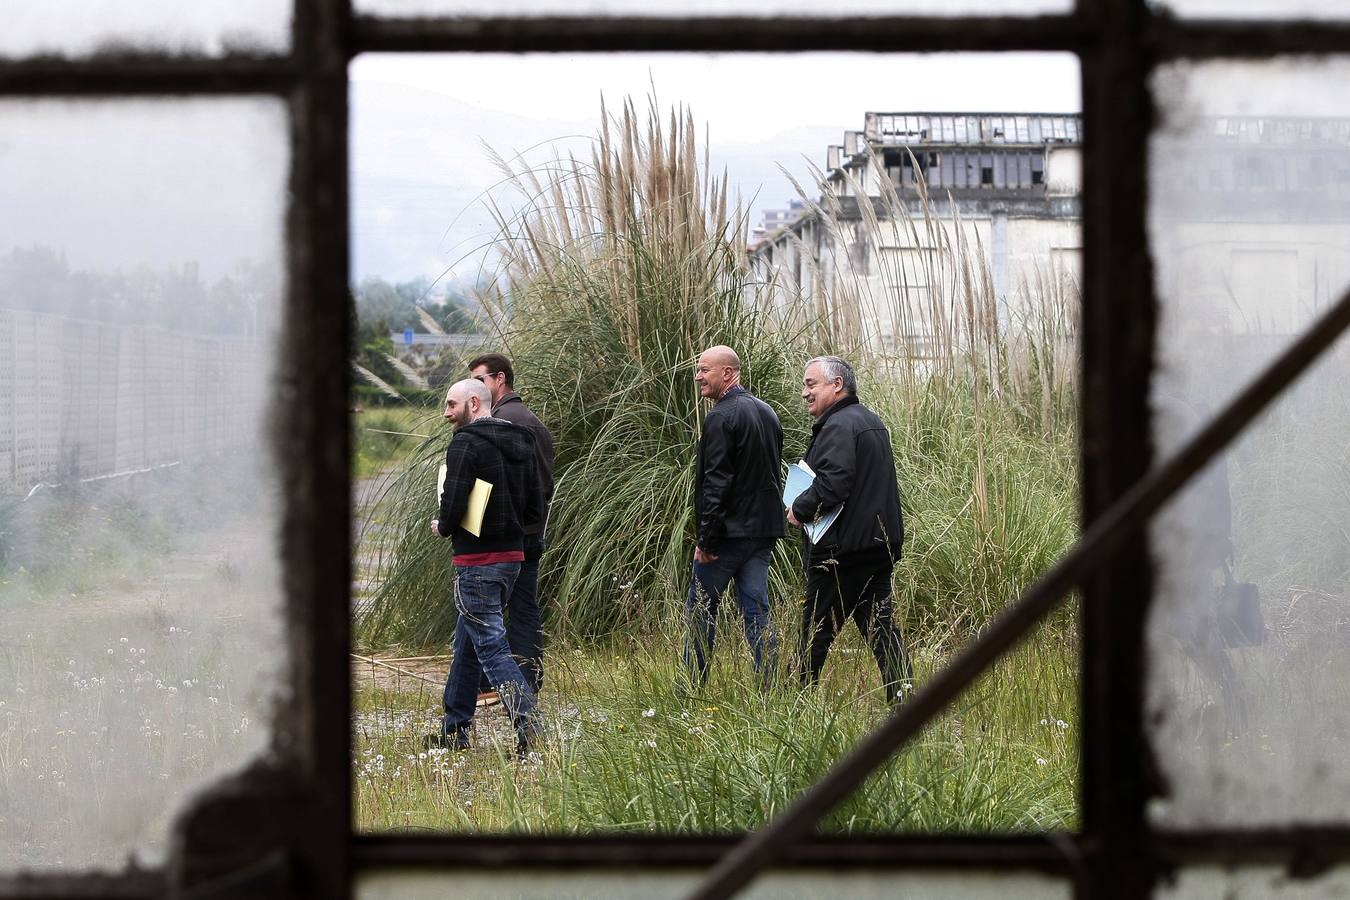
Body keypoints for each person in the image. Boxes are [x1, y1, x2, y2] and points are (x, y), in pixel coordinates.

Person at [426, 378, 543, 755]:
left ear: (473, 403)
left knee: (492, 648)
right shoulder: (523, 440)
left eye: (450, 405)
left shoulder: (465, 442)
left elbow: (454, 496)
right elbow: (534, 505)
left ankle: (530, 726)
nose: (446, 413)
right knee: (467, 645)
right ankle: (454, 728)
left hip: (476, 562)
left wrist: (443, 527)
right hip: (512, 558)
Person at [787, 355, 913, 703]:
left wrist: (799, 509)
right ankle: (904, 701)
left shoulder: (839, 426)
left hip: (841, 552)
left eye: (811, 384)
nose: (804, 393)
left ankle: (794, 705)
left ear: (837, 386)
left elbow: (834, 483)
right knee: (883, 630)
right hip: (877, 547)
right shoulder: (872, 422)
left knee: (814, 632)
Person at [684, 345, 784, 688]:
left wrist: (707, 541)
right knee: (757, 612)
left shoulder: (721, 417)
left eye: (705, 370)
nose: (698, 376)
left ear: (728, 373)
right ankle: (771, 688)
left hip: (726, 537)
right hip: (763, 533)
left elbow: (717, 483)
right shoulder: (767, 412)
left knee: (700, 612)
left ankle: (690, 690)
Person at [467, 353, 555, 700]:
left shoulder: (501, 422)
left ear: (499, 379)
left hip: (511, 536)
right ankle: (527, 680)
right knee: (522, 608)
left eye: (479, 379)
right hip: (532, 531)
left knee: (488, 611)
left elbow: (506, 486)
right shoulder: (530, 419)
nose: (475, 386)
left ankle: (500, 684)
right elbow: (545, 483)